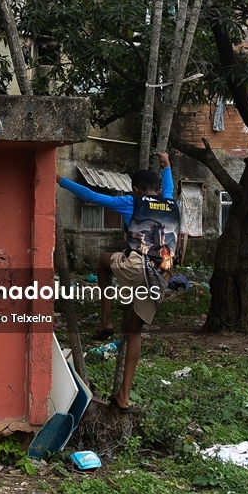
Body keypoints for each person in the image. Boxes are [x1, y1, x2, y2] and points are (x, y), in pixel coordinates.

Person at [56, 151, 179, 413]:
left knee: (102, 261)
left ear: (135, 189)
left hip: (139, 266)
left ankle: (106, 320)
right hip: (162, 276)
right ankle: (124, 396)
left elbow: (91, 196)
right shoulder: (168, 201)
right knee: (134, 332)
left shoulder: (131, 202)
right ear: (157, 189)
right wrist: (167, 165)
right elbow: (167, 185)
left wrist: (60, 180)